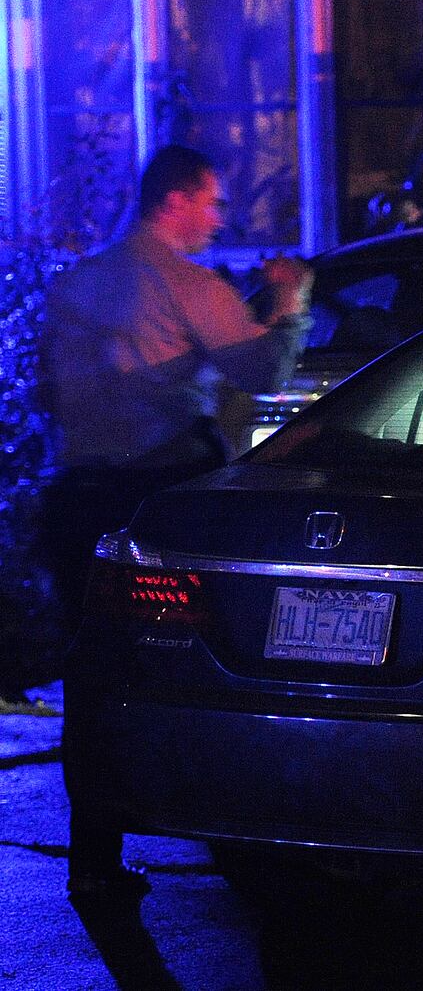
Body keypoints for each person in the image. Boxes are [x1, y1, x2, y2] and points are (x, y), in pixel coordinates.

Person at [39, 144, 313, 905]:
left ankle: (93, 857)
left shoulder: (79, 282)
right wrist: (289, 302)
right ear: (176, 201)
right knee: (208, 663)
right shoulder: (187, 282)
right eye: (212, 202)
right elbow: (264, 375)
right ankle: (234, 848)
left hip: (80, 497)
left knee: (90, 682)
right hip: (163, 496)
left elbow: (47, 388)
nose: (219, 217)